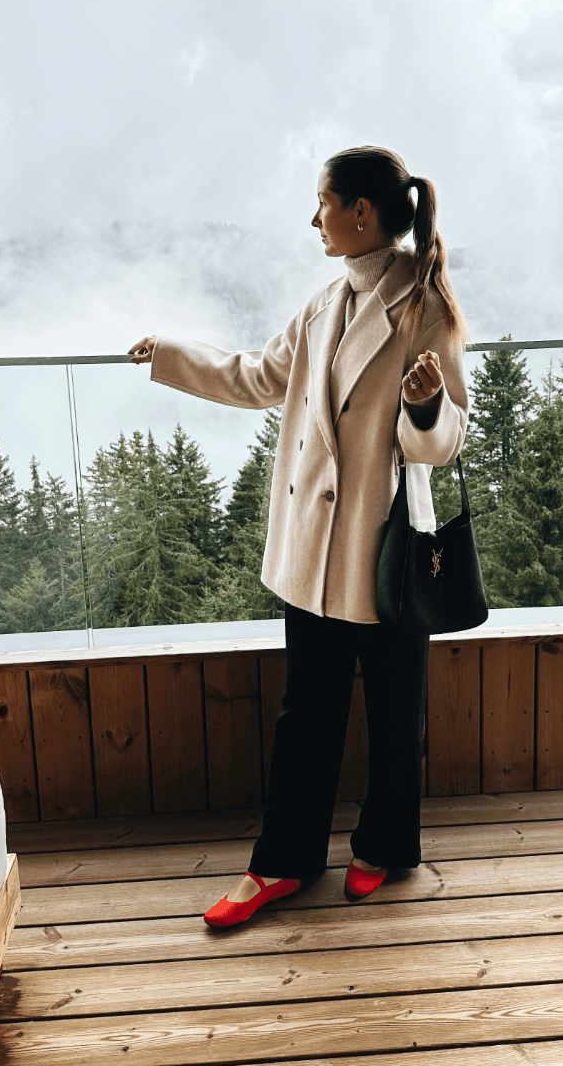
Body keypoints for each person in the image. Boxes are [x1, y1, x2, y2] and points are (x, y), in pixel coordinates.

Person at [128, 144, 468, 928]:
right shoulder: (324, 304)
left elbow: (443, 445)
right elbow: (257, 376)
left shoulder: (427, 309)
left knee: (395, 711)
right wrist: (171, 353)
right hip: (315, 549)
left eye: (322, 203)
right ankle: (281, 865)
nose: (312, 218)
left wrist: (422, 407)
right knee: (305, 715)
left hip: (384, 552)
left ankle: (382, 848)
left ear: (360, 212)